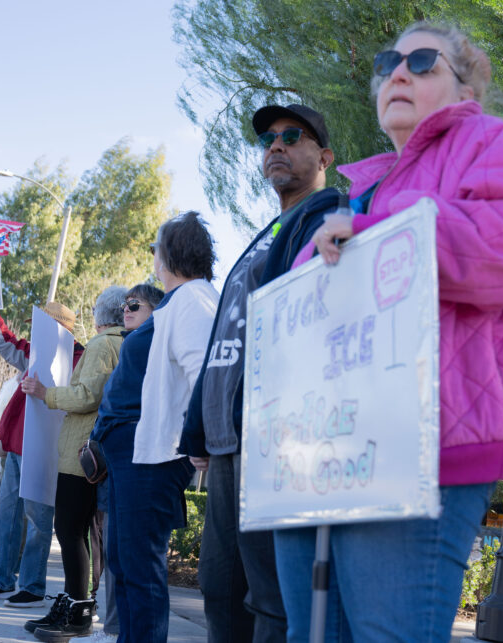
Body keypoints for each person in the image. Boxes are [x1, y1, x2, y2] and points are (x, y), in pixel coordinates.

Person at [284, 22, 503, 639]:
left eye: (424, 61)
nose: (398, 73)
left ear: (465, 88)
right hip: (324, 450)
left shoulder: (490, 141)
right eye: (389, 63)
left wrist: (382, 229)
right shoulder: (369, 186)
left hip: (425, 446)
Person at [178, 103, 343, 642]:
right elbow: (228, 334)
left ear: (323, 157)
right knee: (220, 587)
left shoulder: (323, 216)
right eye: (268, 139)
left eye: (291, 136)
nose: (275, 145)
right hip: (230, 444)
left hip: (275, 436)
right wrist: (199, 426)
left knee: (270, 597)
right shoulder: (268, 231)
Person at [94, 212, 218, 642]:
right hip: (138, 455)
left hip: (157, 458)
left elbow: (204, 371)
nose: (153, 257)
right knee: (127, 566)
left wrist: (198, 436)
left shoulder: (194, 299)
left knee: (140, 569)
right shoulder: (180, 301)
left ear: (169, 253)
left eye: (156, 248)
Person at [21, 285, 129, 641]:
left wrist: (45, 393)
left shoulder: (102, 344)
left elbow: (86, 396)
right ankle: (73, 604)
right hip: (94, 454)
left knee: (69, 531)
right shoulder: (123, 342)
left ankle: (78, 612)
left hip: (79, 455)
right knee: (77, 532)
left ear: (101, 312)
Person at [0, 300, 84, 608]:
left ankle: (32, 586)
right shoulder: (35, 353)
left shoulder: (80, 358)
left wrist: (46, 392)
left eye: (42, 322)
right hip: (18, 448)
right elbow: (6, 342)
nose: (35, 329)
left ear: (57, 326)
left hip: (48, 451)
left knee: (38, 520)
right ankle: (3, 580)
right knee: (7, 514)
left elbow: (81, 400)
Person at [84, 283, 163, 643]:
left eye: (135, 305)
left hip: (138, 461)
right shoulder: (132, 343)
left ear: (156, 312)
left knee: (138, 563)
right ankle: (119, 632)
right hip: (116, 463)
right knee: (117, 555)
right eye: (125, 305)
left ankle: (121, 631)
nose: (126, 310)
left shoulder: (153, 343)